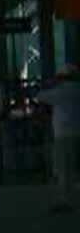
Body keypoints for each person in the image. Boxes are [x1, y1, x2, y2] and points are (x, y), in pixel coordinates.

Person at [36, 65, 80, 209]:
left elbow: (40, 96)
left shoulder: (60, 92)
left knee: (63, 168)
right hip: (76, 132)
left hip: (62, 134)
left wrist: (50, 84)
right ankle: (69, 197)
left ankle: (65, 200)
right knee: (72, 167)